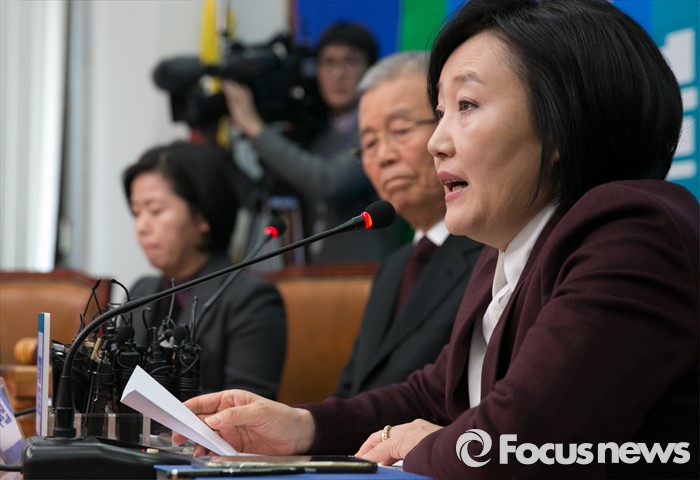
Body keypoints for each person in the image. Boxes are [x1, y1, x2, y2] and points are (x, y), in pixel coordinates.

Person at [174, 1, 699, 478]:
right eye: (440, 112)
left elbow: (524, 438)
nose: (435, 142)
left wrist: (433, 444)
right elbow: (433, 393)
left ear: (564, 121)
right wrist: (302, 426)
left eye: (466, 105)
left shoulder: (636, 232)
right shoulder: (503, 254)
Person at [334, 51, 483, 398]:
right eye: (369, 143)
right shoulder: (393, 269)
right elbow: (351, 392)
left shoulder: (491, 252)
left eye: (400, 130)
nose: (384, 156)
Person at [222, 22, 406, 264]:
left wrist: (256, 129)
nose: (338, 73)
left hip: (366, 275)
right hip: (314, 278)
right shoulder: (317, 137)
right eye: (328, 63)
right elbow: (258, 195)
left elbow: (329, 182)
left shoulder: (379, 134)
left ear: (370, 71)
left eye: (350, 62)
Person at [123, 141, 286, 399]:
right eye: (136, 212)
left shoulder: (251, 301)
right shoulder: (140, 291)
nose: (141, 226)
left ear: (201, 217)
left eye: (155, 211)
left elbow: (245, 409)